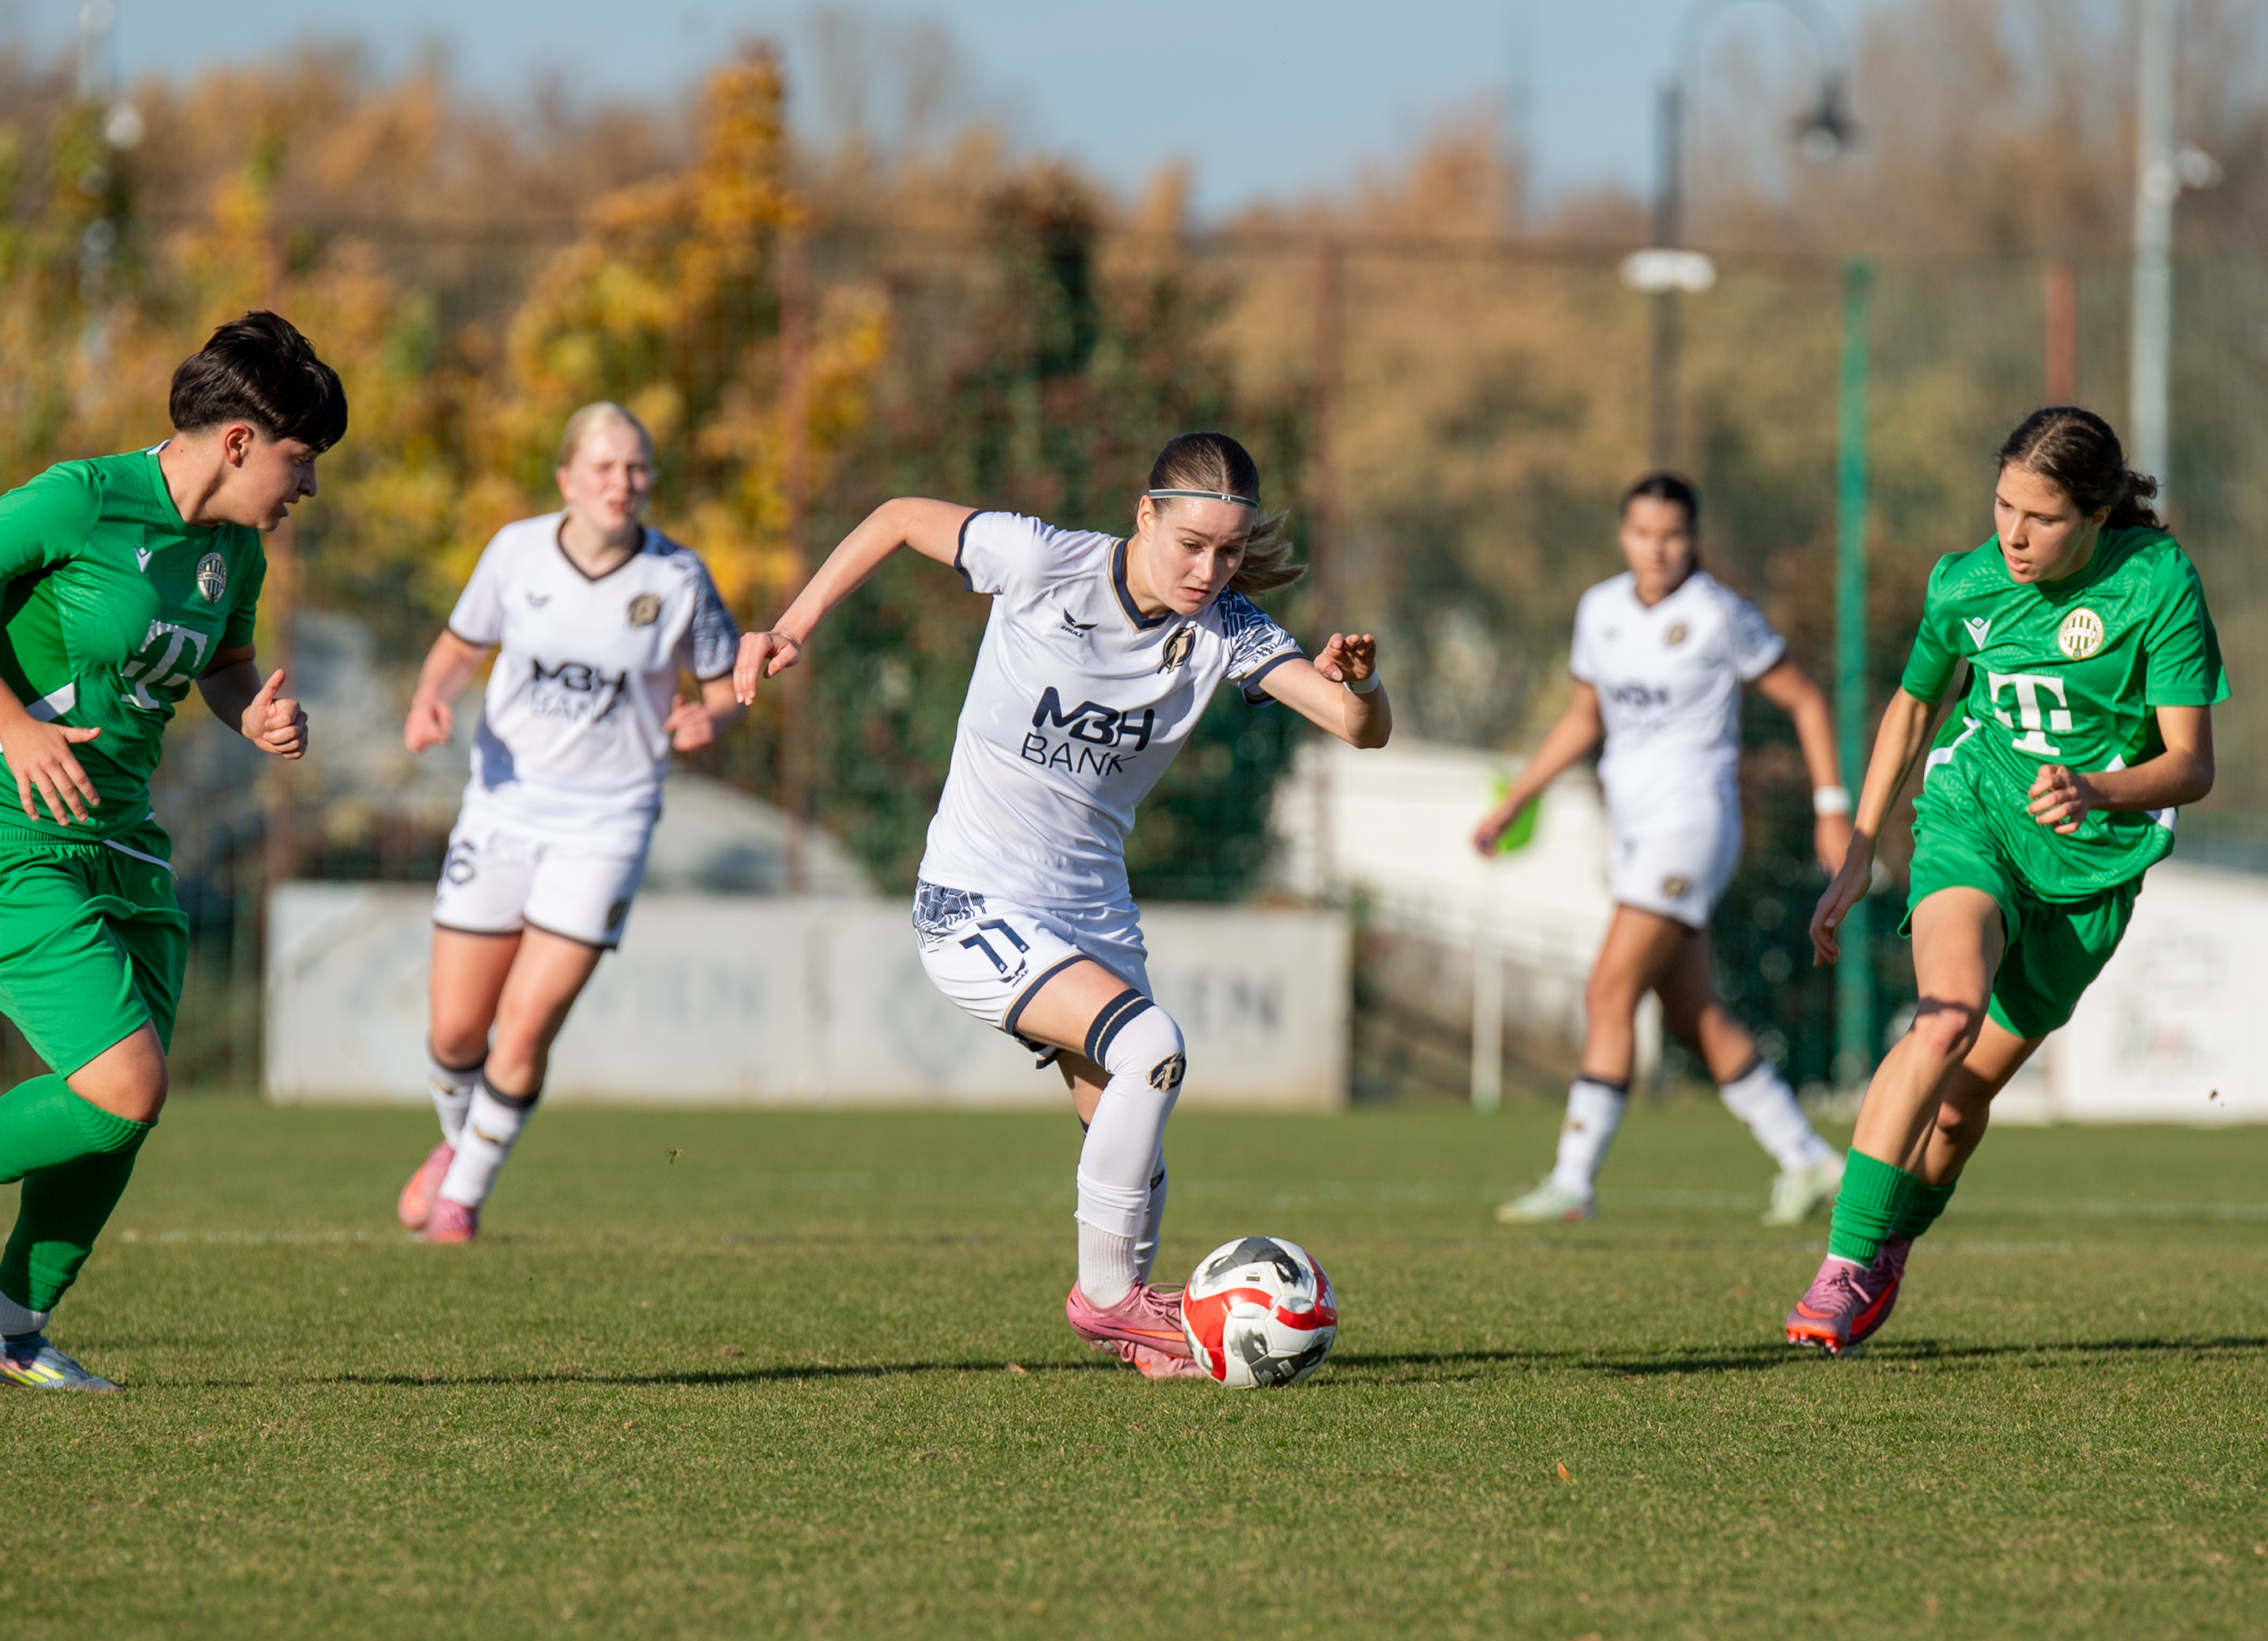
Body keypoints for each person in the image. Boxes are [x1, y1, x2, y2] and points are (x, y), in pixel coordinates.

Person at [734, 431, 1388, 1379]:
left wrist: (1361, 686)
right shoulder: (1046, 562)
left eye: (1231, 551)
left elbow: (1355, 730)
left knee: (1133, 1129)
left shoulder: (1229, 630)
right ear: (1144, 516)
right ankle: (1108, 1304)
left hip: (1091, 912)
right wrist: (794, 623)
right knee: (1152, 1049)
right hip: (971, 899)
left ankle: (1132, 1318)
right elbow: (898, 519)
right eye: (1191, 544)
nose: (1210, 569)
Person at [0, 311, 340, 1391]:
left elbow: (223, 667)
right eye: (300, 460)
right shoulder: (80, 498)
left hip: (122, 845)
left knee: (130, 1104)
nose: (307, 488)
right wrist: (18, 723)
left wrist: (252, 716)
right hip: (6, 839)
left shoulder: (234, 552)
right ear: (237, 443)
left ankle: (12, 1333)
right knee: (125, 1082)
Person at [1786, 406, 2221, 1353]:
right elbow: (1914, 706)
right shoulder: (1966, 582)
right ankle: (1841, 1263)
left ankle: (1890, 1244)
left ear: (2098, 514)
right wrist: (1861, 846)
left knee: (1961, 1102)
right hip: (1972, 817)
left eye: (2042, 517)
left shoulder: (2157, 585)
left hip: (2092, 869)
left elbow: (2191, 763)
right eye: (2002, 506)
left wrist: (2097, 786)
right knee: (1944, 1018)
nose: (2013, 535)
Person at [395, 403, 743, 1244]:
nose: (622, 484)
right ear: (566, 479)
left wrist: (713, 719)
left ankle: (461, 1199)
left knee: (524, 1024)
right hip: (503, 808)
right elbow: (458, 643)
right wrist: (429, 697)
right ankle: (459, 1142)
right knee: (453, 1032)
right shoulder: (515, 552)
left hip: (608, 822)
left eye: (637, 469)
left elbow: (727, 683)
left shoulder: (678, 578)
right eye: (604, 467)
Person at [1477, 474, 1852, 1227]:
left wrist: (1831, 810)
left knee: (1607, 991)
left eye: (1674, 534)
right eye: (1645, 533)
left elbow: (1807, 701)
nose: (1659, 548)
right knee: (1694, 1014)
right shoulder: (1601, 609)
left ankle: (1573, 1180)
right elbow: (1587, 718)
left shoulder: (1718, 614)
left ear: (1694, 537)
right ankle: (1810, 1160)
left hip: (1694, 823)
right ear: (1624, 534)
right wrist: (1521, 795)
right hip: (1635, 828)